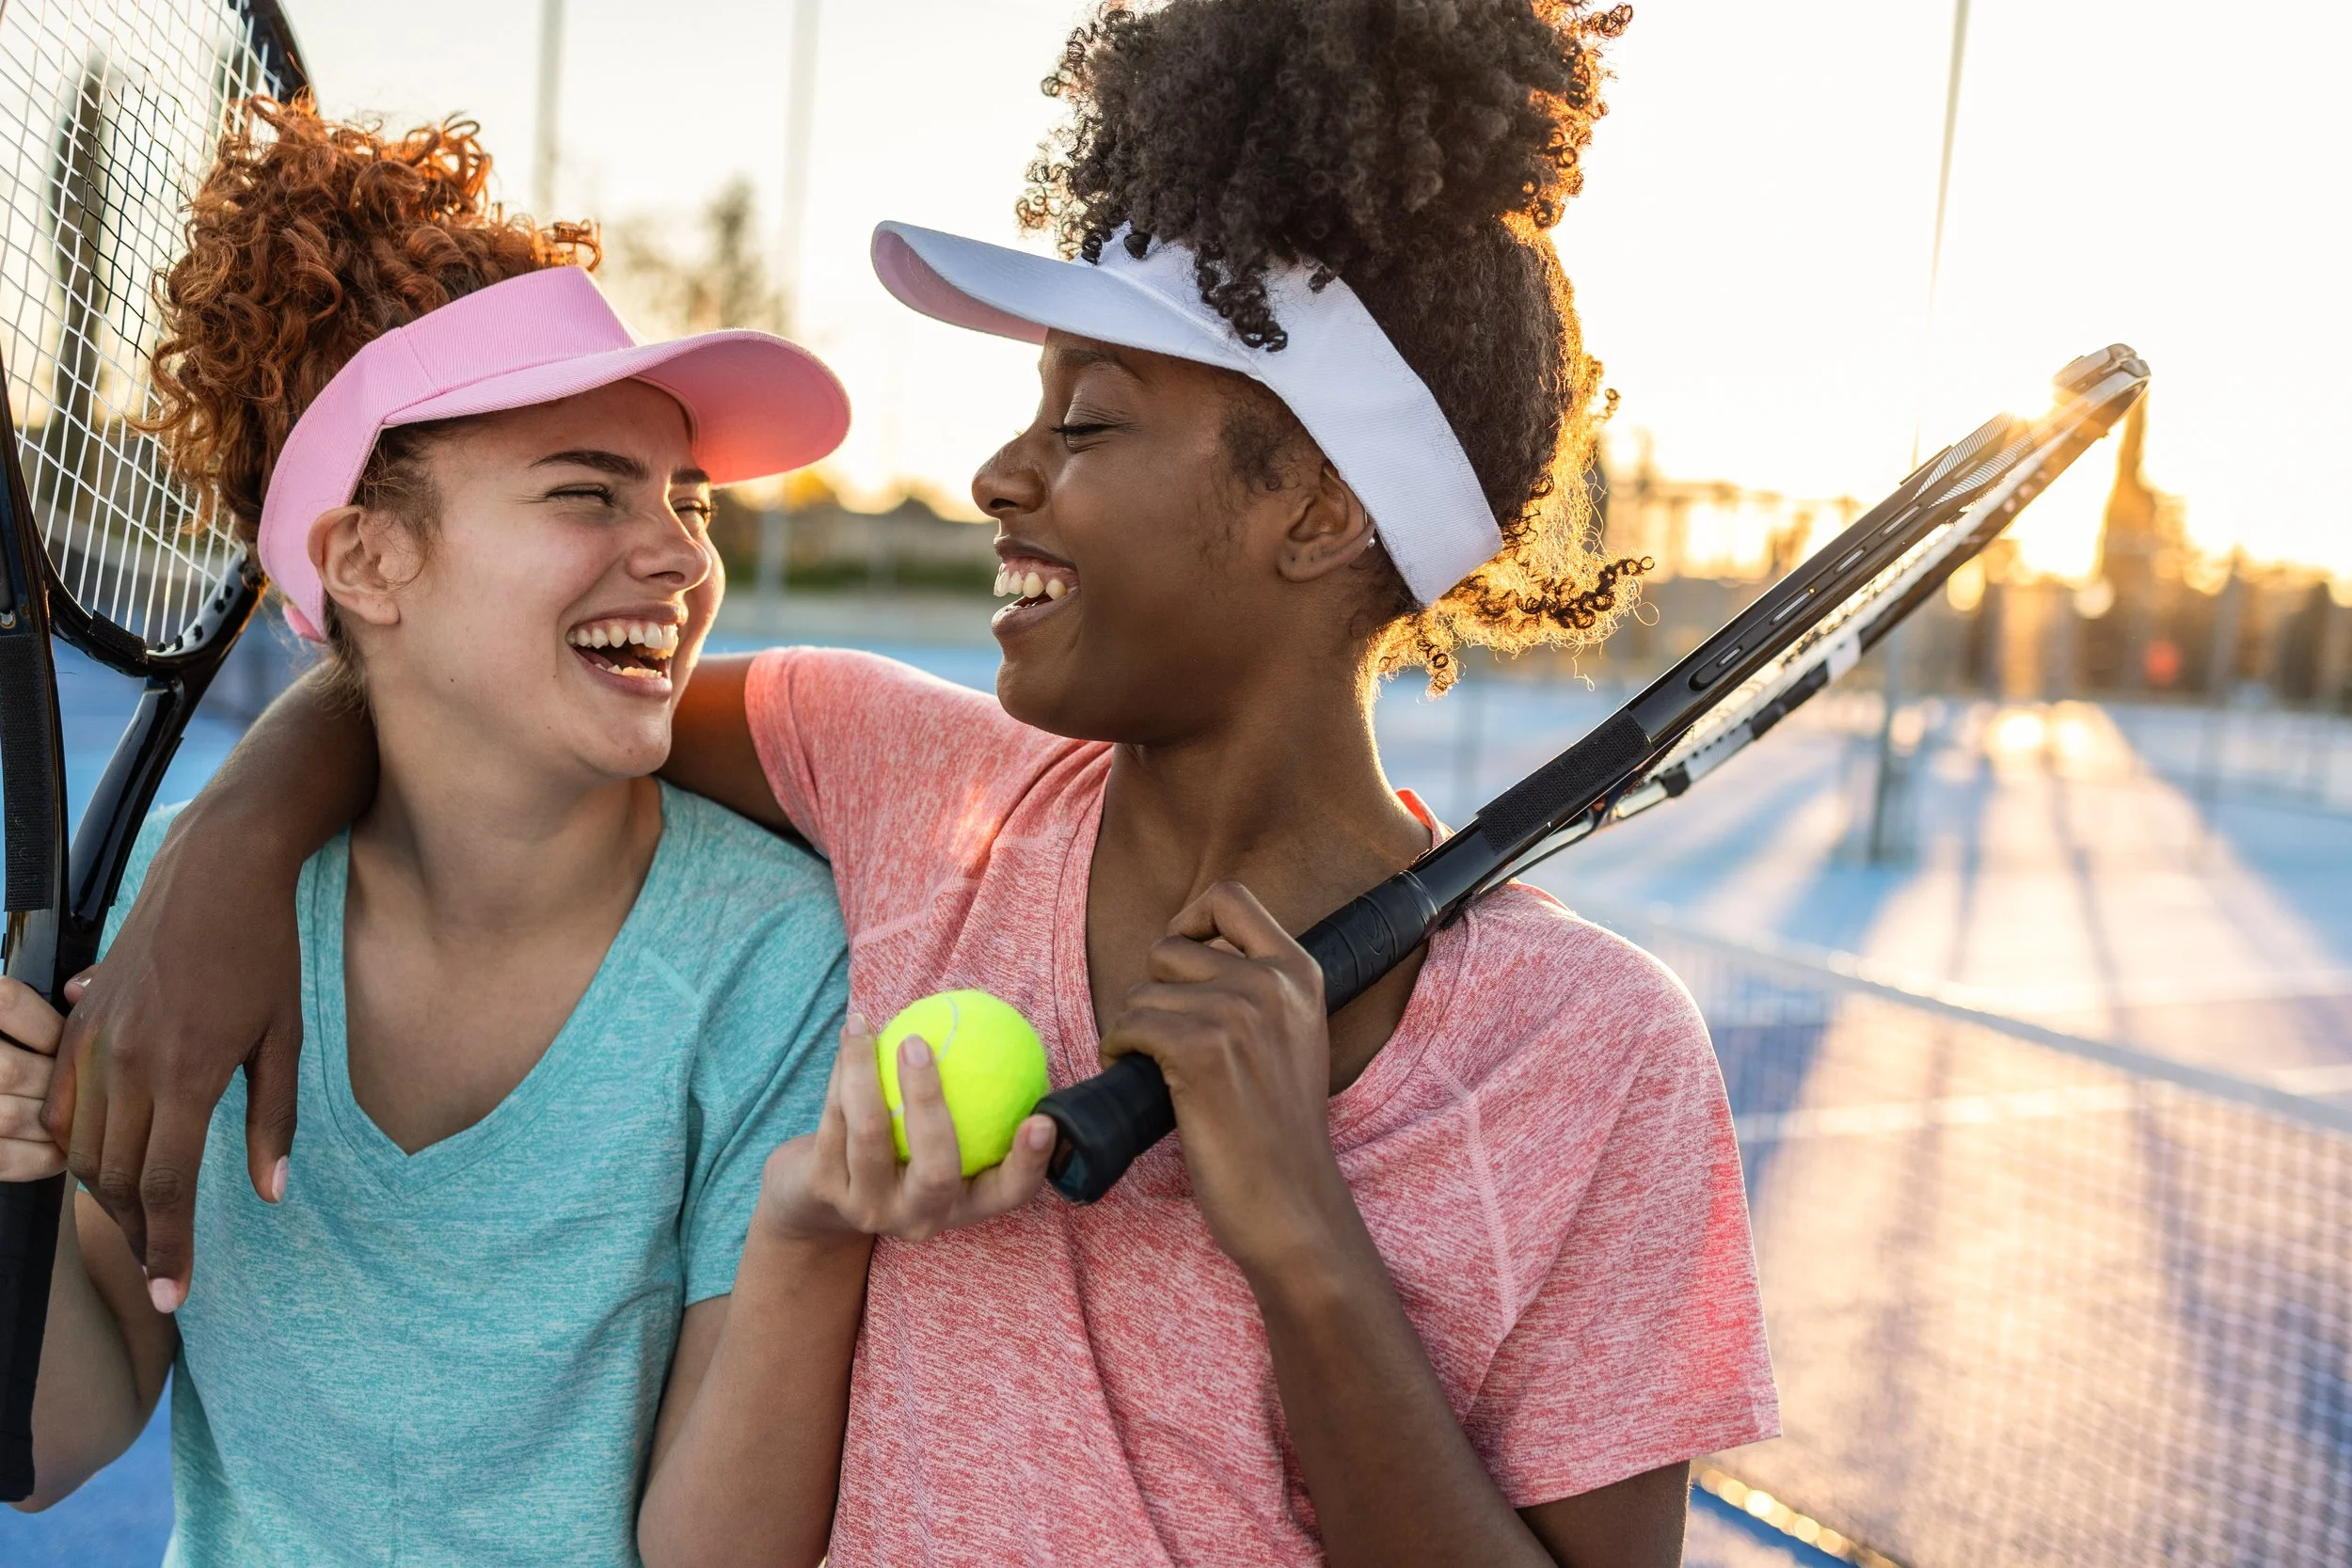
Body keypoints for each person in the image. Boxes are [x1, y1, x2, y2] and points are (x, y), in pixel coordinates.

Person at [52, 5, 1779, 1564]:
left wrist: (1305, 1245)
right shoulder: (893, 773)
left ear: (1320, 511)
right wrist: (224, 863)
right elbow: (468, 702)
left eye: (1088, 422)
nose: (997, 470)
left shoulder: (1598, 1059)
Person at [0, 103, 870, 1565]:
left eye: (687, 498)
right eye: (588, 490)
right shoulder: (190, 925)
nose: (676, 550)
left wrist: (811, 1228)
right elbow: (51, 1440)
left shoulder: (773, 958)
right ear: (373, 560)